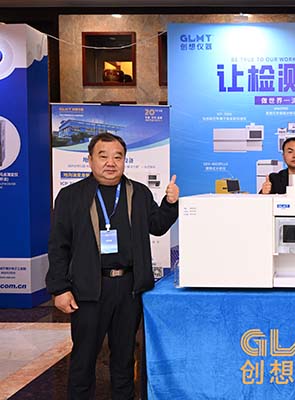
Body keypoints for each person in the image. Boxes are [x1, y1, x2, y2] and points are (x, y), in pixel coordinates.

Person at [46, 132, 179, 399]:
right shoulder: (71, 196)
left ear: (124, 160)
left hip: (129, 289)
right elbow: (59, 245)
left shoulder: (138, 192)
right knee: (84, 359)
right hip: (88, 290)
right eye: (103, 156)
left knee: (124, 358)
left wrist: (170, 203)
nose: (111, 162)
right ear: (90, 160)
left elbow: (157, 226)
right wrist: (59, 288)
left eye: (118, 157)